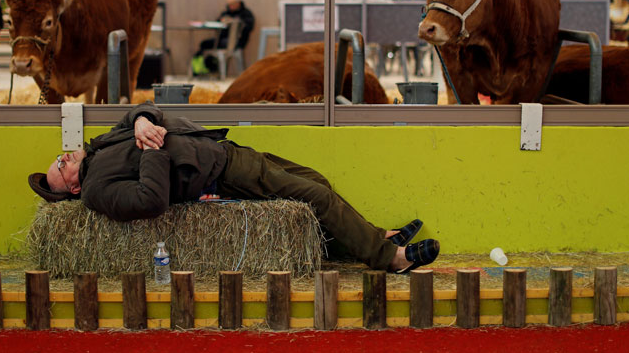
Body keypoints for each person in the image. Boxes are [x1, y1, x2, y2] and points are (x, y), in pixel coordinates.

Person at [28, 102, 440, 274]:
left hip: (219, 149)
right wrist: (152, 147)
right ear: (74, 190)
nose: (64, 159)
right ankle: (390, 258)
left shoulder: (100, 147)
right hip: (217, 171)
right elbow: (149, 201)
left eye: (61, 157)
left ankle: (370, 234)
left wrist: (140, 121)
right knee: (312, 196)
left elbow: (141, 110)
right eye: (60, 169)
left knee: (314, 181)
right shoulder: (99, 190)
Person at [192, 0, 255, 75]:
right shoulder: (226, 13)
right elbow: (218, 22)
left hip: (238, 41)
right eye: (229, 5)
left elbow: (249, 27)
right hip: (222, 39)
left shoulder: (246, 13)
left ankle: (215, 69)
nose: (230, 6)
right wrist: (222, 21)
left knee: (223, 44)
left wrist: (235, 22)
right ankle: (199, 69)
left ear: (238, 3)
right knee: (204, 44)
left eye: (232, 4)